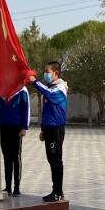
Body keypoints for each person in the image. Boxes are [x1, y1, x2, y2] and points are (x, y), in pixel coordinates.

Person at [29, 61, 67, 202]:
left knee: (56, 160)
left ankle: (58, 192)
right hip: (49, 128)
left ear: (56, 73)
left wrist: (35, 82)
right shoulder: (51, 87)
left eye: (47, 71)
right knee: (51, 160)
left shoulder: (60, 87)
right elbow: (47, 112)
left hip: (56, 128)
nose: (45, 74)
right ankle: (56, 191)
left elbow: (49, 94)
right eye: (44, 71)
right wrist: (43, 130)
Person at [0, 86, 30, 195]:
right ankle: (8, 187)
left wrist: (24, 127)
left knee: (16, 157)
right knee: (6, 158)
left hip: (16, 128)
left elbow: (26, 108)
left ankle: (17, 187)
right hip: (2, 127)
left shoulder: (22, 90)